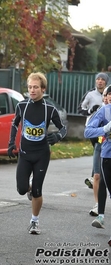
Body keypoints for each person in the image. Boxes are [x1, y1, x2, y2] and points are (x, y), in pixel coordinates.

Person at [8, 72, 67, 235]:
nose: (32, 90)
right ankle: (28, 188)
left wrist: (57, 136)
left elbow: (63, 128)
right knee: (21, 189)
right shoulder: (22, 106)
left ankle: (34, 221)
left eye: (35, 87)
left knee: (37, 190)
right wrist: (11, 143)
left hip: (41, 154)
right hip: (25, 154)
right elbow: (14, 124)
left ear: (43, 89)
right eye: (30, 87)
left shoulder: (49, 109)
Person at [78, 72, 109, 216]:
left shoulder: (107, 104)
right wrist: (91, 111)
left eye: (103, 79)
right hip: (97, 135)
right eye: (98, 79)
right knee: (98, 174)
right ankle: (97, 205)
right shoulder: (90, 95)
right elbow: (80, 109)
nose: (100, 81)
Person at [84, 84, 111, 247]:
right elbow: (88, 131)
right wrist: (105, 129)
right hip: (108, 156)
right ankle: (100, 214)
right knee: (100, 181)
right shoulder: (104, 111)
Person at [90, 86, 111, 230]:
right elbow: (91, 131)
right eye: (105, 95)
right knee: (98, 177)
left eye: (108, 95)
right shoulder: (101, 111)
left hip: (104, 147)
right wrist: (102, 137)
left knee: (101, 179)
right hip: (102, 149)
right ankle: (99, 209)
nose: (107, 97)